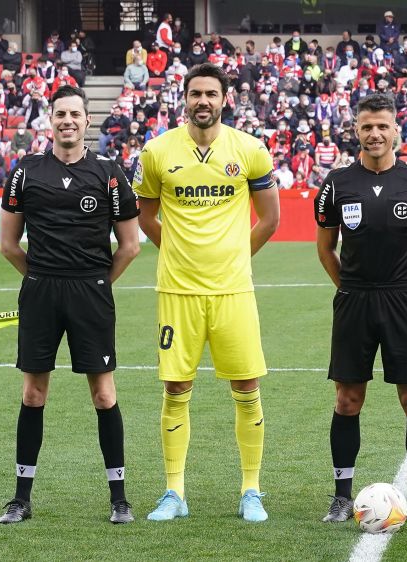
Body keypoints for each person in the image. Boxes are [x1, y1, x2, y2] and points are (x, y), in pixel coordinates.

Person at [133, 63, 280, 523]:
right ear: (185, 98)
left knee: (247, 386)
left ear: (224, 99)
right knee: (176, 387)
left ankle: (251, 490)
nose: (203, 101)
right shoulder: (157, 152)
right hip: (177, 290)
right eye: (196, 93)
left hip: (233, 290)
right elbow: (145, 216)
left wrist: (236, 255)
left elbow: (270, 218)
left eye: (211, 94)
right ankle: (174, 492)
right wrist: (176, 253)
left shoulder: (250, 150)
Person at [0, 85, 140, 524]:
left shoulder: (109, 174)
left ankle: (119, 499)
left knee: (103, 394)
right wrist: (41, 280)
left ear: (86, 121)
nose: (68, 121)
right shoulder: (25, 172)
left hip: (90, 293)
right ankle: (21, 498)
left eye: (75, 114)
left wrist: (96, 283)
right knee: (33, 393)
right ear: (50, 119)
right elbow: (8, 244)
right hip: (40, 291)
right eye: (60, 114)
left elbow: (130, 245)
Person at [315, 93, 407, 525]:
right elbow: (326, 248)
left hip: (402, 301)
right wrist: (350, 288)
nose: (374, 134)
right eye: (366, 126)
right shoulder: (336, 183)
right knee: (348, 399)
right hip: (354, 300)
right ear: (356, 130)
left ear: (396, 130)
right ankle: (340, 495)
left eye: (382, 126)